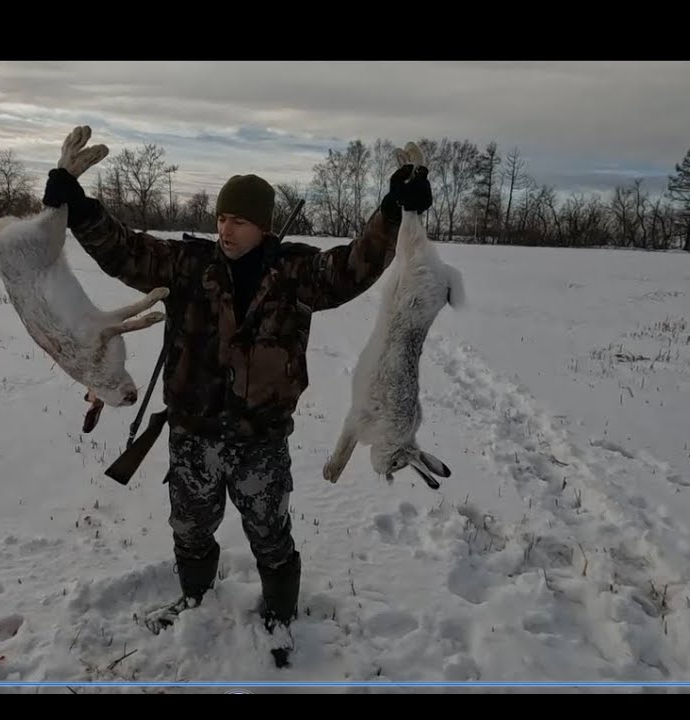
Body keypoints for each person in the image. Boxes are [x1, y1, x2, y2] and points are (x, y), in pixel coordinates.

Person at [42, 148, 432, 660]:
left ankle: (279, 617)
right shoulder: (188, 263)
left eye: (241, 221)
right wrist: (80, 208)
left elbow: (353, 268)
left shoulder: (296, 272)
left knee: (271, 536)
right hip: (193, 434)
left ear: (264, 227)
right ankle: (195, 597)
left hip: (261, 441)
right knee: (190, 528)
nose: (226, 230)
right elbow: (126, 252)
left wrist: (392, 212)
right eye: (223, 218)